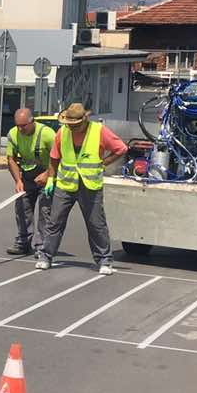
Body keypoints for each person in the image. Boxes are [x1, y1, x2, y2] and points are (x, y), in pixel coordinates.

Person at [36, 102, 128, 275]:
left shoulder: (98, 130)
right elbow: (55, 157)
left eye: (75, 125)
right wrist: (50, 178)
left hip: (90, 186)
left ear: (84, 120)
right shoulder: (62, 132)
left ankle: (104, 260)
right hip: (66, 184)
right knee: (54, 222)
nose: (72, 128)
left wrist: (104, 163)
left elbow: (121, 148)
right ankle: (46, 256)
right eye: (69, 124)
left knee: (96, 224)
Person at [4, 107, 55, 256]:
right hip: (27, 176)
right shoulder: (13, 134)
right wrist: (18, 180)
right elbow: (11, 159)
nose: (20, 129)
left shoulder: (47, 134)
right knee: (22, 208)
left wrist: (47, 174)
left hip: (47, 177)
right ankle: (23, 243)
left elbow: (58, 158)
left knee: (46, 212)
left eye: (23, 126)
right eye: (17, 125)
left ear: (32, 121)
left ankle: (42, 247)